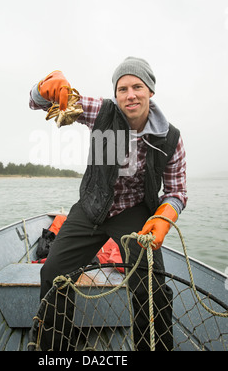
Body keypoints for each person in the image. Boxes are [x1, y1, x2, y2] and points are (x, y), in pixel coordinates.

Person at [29, 57, 187, 351]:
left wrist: (166, 214)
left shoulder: (170, 138)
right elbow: (36, 102)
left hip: (134, 212)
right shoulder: (103, 112)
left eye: (137, 86)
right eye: (122, 88)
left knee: (151, 289)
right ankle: (53, 351)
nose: (130, 95)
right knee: (52, 275)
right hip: (91, 207)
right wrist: (46, 86)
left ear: (150, 91)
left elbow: (177, 191)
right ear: (116, 94)